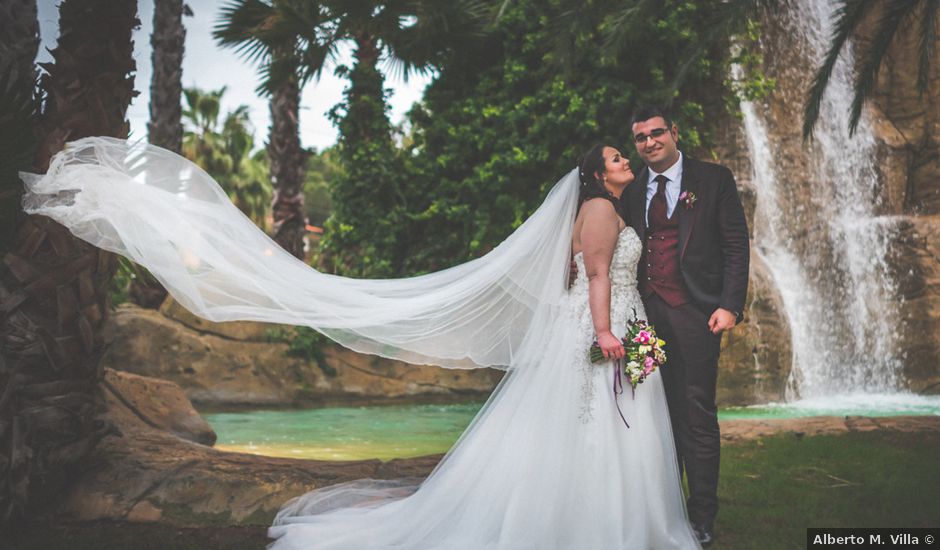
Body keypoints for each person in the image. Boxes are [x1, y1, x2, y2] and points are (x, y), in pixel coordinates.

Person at [22, 138, 700, 549]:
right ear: (598, 173)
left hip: (602, 327)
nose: (623, 159)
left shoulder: (610, 207)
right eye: (614, 155)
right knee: (598, 429)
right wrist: (610, 332)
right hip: (599, 329)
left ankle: (601, 525)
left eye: (622, 154)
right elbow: (600, 276)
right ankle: (607, 528)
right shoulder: (603, 210)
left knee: (587, 432)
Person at [625, 105, 750, 546]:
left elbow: (736, 244)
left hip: (696, 314)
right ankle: (664, 512)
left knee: (696, 415)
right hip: (642, 319)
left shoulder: (713, 179)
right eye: (641, 138)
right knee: (651, 417)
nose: (649, 142)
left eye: (657, 133)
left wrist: (730, 305)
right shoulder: (631, 189)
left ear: (674, 133)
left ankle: (701, 517)